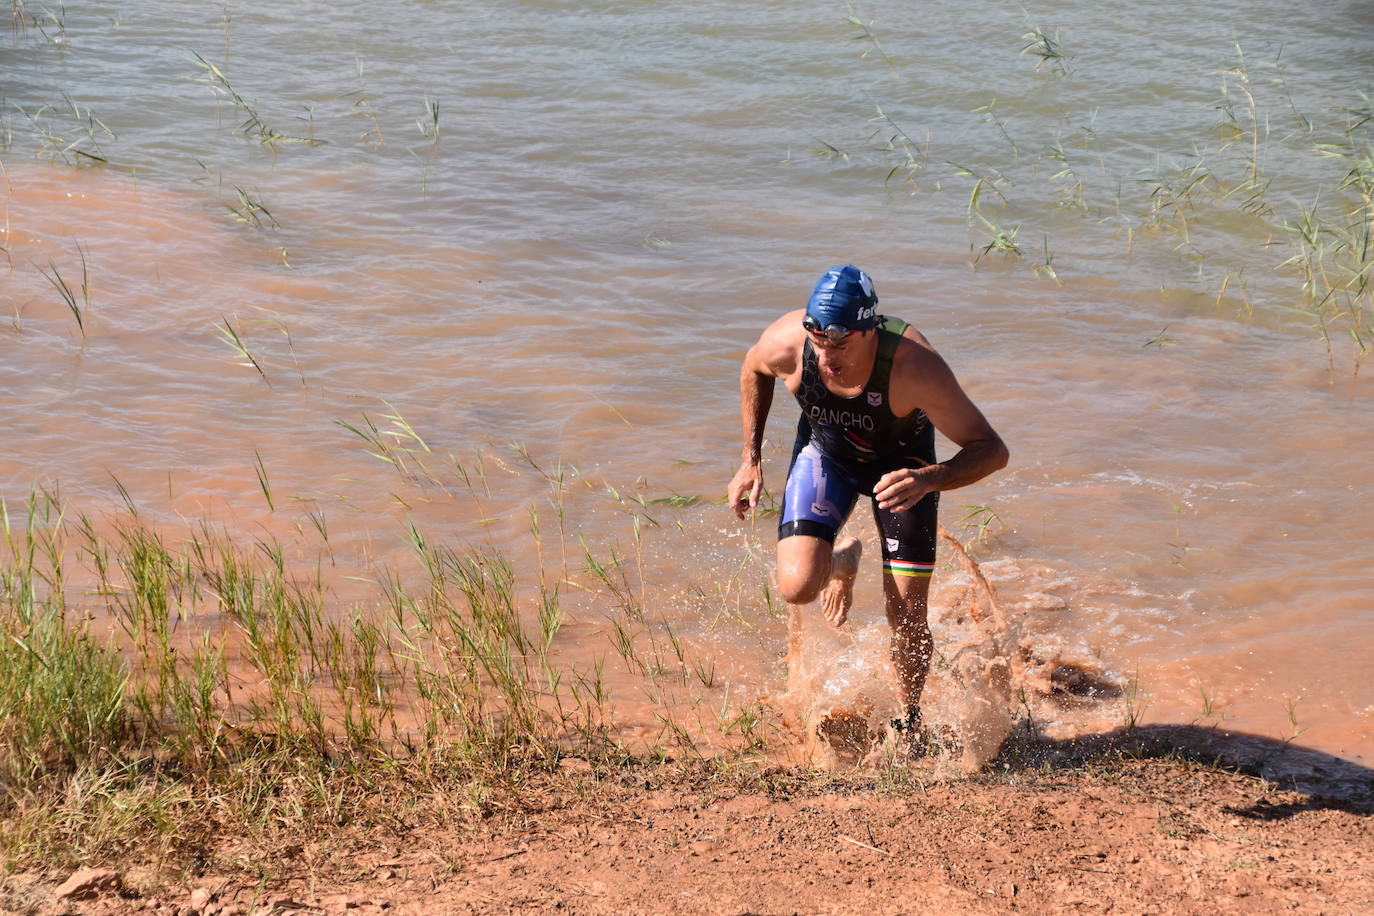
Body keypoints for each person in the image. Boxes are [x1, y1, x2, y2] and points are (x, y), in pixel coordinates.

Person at [726, 265, 1008, 744]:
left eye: (840, 344)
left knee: (906, 611)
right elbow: (753, 368)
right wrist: (749, 459)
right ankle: (842, 557)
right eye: (819, 341)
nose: (827, 356)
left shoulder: (915, 367)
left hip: (904, 471)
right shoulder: (788, 343)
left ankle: (909, 721)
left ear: (870, 330)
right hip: (827, 457)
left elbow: (991, 450)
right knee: (797, 588)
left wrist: (930, 478)